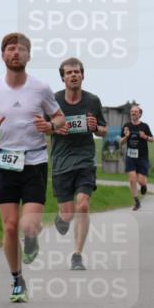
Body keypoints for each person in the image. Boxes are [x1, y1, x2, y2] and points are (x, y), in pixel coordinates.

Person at [0, 32, 64, 303]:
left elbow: (60, 118)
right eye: (10, 49)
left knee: (28, 226)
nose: (16, 53)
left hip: (35, 161)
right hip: (6, 163)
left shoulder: (41, 88)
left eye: (21, 49)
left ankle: (32, 239)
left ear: (29, 55)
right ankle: (17, 280)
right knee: (10, 227)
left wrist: (50, 126)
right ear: (2, 55)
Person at [49, 58, 106, 271]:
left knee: (82, 205)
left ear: (83, 75)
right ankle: (62, 218)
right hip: (61, 162)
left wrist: (95, 127)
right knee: (68, 212)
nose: (73, 75)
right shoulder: (53, 101)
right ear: (63, 77)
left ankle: (77, 254)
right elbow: (42, 126)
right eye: (69, 72)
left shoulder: (92, 101)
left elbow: (104, 129)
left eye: (77, 72)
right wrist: (55, 128)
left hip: (85, 159)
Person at [120, 105, 154, 211]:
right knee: (132, 180)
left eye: (135, 111)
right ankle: (137, 201)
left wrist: (145, 137)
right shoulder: (126, 126)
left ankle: (144, 185)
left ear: (139, 114)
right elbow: (121, 142)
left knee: (140, 180)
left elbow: (152, 139)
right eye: (132, 111)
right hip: (130, 156)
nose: (133, 113)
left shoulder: (144, 126)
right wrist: (126, 136)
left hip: (142, 157)